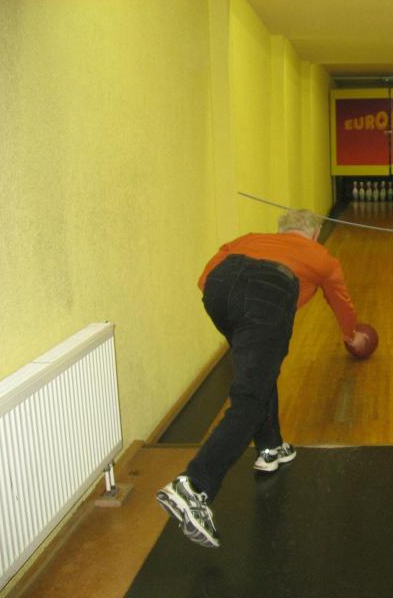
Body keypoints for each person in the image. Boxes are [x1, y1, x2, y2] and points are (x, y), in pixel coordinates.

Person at [156, 209, 370, 548]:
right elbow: (340, 300)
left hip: (219, 289)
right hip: (267, 292)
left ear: (281, 230)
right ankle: (193, 487)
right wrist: (351, 335)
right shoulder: (320, 256)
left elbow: (206, 277)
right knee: (250, 400)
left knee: (259, 371)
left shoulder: (249, 239)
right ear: (314, 234)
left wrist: (233, 306)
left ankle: (270, 446)